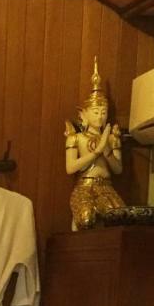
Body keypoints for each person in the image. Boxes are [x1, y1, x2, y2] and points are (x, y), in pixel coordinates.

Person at [65, 57, 124, 230]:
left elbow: (118, 169)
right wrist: (96, 151)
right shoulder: (76, 138)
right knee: (86, 219)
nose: (100, 116)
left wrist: (106, 149)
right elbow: (71, 168)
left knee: (119, 218)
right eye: (96, 112)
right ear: (84, 114)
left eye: (104, 112)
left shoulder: (111, 138)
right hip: (85, 185)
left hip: (106, 187)